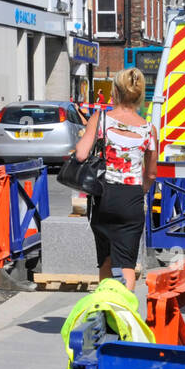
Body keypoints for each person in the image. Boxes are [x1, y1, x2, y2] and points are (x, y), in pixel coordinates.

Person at [72, 67, 156, 289]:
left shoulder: (101, 120)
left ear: (115, 92)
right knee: (126, 263)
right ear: (139, 95)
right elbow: (151, 173)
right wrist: (141, 191)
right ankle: (124, 312)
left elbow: (81, 154)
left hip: (104, 196)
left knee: (106, 259)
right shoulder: (149, 129)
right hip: (132, 197)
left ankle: (104, 308)